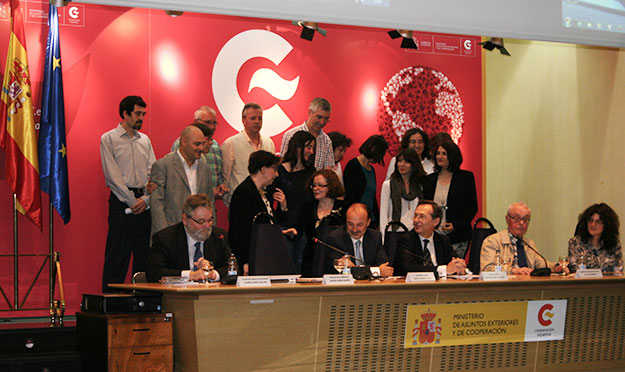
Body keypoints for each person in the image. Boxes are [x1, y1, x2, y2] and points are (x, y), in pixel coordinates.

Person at [100, 95, 156, 292]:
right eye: (137, 114)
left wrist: (146, 200)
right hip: (121, 202)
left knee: (143, 255)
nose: (141, 118)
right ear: (125, 114)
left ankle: (141, 299)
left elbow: (153, 172)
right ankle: (110, 301)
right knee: (117, 254)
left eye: (143, 114)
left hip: (144, 201)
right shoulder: (109, 139)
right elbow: (112, 176)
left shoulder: (145, 140)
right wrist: (132, 201)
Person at [146, 194, 231, 282]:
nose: (207, 226)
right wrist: (190, 275)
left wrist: (213, 274)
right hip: (176, 294)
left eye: (210, 220)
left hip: (210, 294)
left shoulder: (219, 236)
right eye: (201, 221)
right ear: (185, 220)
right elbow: (154, 272)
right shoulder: (165, 238)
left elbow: (233, 268)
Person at [228, 150, 288, 275]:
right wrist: (244, 261)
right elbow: (239, 231)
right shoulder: (244, 193)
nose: (276, 174)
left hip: (265, 253)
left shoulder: (263, 192)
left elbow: (270, 222)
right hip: (252, 256)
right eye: (274, 169)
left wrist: (283, 208)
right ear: (263, 169)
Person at [150, 125, 212, 235]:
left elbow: (209, 201)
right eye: (197, 144)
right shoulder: (163, 166)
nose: (201, 148)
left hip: (199, 234)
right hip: (171, 232)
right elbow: (157, 205)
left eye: (203, 143)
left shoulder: (205, 169)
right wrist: (164, 235)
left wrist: (209, 229)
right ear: (183, 142)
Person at [424, 140, 477, 257]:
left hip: (458, 235)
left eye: (444, 153)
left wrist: (456, 225)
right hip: (434, 235)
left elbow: (472, 207)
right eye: (438, 153)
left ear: (452, 156)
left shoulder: (466, 177)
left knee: (455, 268)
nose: (440, 156)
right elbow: (425, 206)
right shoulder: (429, 179)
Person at [272, 131, 316, 272]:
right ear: (297, 147)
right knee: (285, 270)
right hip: (284, 228)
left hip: (304, 230)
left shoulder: (311, 172)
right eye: (308, 147)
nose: (311, 151)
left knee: (301, 271)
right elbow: (270, 199)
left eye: (312, 148)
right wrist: (283, 205)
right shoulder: (280, 171)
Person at [480, 202, 567, 274]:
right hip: (503, 288)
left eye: (525, 219)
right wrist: (514, 270)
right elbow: (487, 269)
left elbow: (542, 264)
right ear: (507, 219)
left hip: (527, 287)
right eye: (517, 218)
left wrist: (556, 267)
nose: (521, 223)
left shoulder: (529, 243)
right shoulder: (492, 241)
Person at [221, 103, 275, 206]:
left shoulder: (269, 143)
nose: (257, 122)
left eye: (260, 118)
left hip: (263, 201)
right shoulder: (231, 144)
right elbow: (226, 176)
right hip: (240, 202)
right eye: (253, 118)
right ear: (243, 120)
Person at [395, 200, 466, 276]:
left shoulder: (443, 240)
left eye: (422, 217)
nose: (416, 220)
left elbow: (454, 259)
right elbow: (408, 268)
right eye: (415, 216)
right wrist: (443, 270)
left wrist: (459, 265)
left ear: (435, 222)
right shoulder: (406, 240)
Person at [298, 169, 348, 277]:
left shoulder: (344, 208)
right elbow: (299, 230)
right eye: (314, 185)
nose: (316, 189)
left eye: (320, 185)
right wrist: (293, 233)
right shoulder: (306, 207)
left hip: (335, 259)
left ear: (331, 186)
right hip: (311, 259)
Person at [171, 106, 228, 200]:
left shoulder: (215, 146)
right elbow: (178, 177)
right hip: (186, 202)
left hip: (208, 204)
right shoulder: (182, 144)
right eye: (208, 122)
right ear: (196, 122)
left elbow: (217, 174)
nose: (212, 126)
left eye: (214, 123)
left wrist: (220, 185)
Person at [324, 203, 394, 276]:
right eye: (350, 224)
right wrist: (376, 271)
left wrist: (354, 268)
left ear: (368, 222)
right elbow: (339, 271)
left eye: (359, 225)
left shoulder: (375, 237)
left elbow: (385, 268)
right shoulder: (335, 238)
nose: (354, 230)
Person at [343, 135, 388, 228]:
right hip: (356, 219)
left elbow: (372, 197)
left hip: (370, 219)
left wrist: (378, 221)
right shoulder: (353, 166)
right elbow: (350, 195)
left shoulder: (371, 169)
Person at [379, 148, 427, 234]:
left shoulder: (420, 186)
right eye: (400, 161)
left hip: (415, 231)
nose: (402, 165)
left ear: (413, 164)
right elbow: (383, 214)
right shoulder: (388, 185)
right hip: (394, 231)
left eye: (407, 162)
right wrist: (383, 238)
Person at [280, 97, 334, 170]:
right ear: (310, 112)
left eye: (326, 119)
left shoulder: (327, 141)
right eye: (319, 117)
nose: (322, 122)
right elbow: (283, 165)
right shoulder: (291, 134)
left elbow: (328, 171)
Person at [568, 203, 623, 273]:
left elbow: (618, 271)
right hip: (583, 283)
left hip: (608, 283)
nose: (593, 224)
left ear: (607, 225)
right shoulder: (575, 243)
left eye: (598, 221)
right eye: (590, 220)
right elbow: (575, 270)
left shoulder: (614, 244)